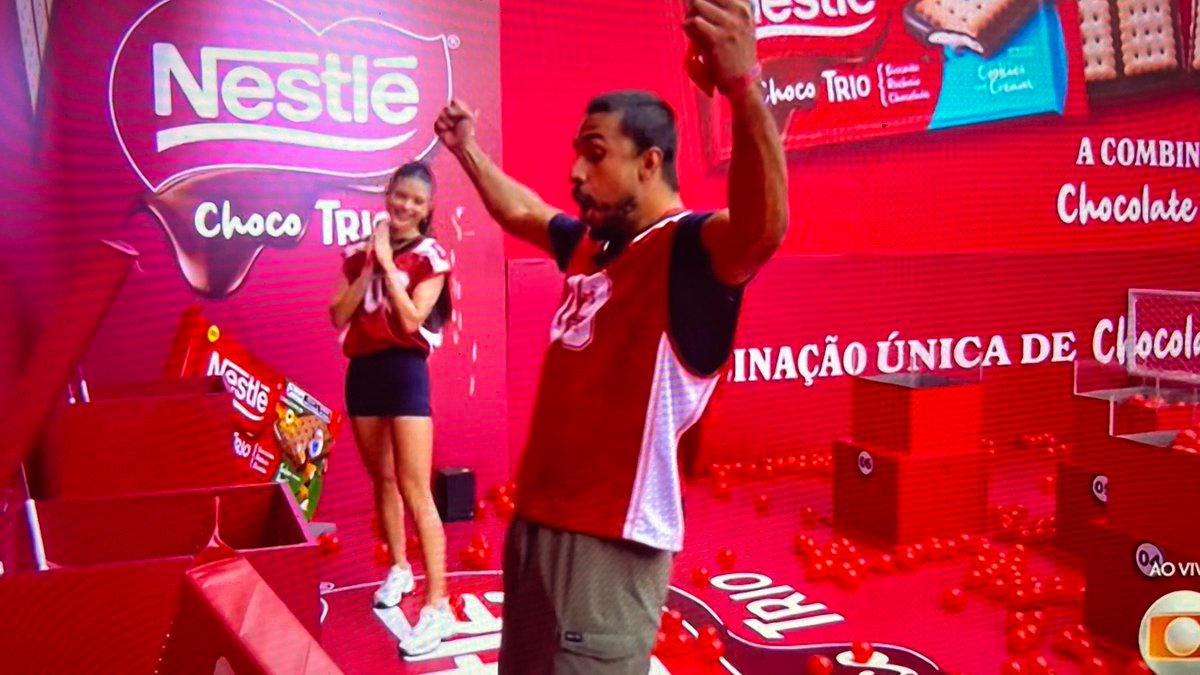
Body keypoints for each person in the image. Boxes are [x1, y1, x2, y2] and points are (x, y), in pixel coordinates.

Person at [435, 1, 788, 671]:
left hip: (609, 544)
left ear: (650, 163)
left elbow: (762, 228)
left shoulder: (687, 250)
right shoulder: (592, 248)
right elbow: (522, 209)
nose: (575, 173)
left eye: (595, 155)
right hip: (538, 522)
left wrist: (743, 87)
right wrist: (467, 149)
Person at [328, 161, 456, 657]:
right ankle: (400, 567)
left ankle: (437, 604)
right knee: (381, 480)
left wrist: (386, 262)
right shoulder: (357, 253)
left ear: (427, 210)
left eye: (416, 201)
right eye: (400, 195)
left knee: (414, 486)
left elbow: (409, 320)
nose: (405, 205)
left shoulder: (430, 256)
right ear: (388, 194)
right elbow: (338, 314)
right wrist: (369, 266)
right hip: (363, 371)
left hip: (404, 370)